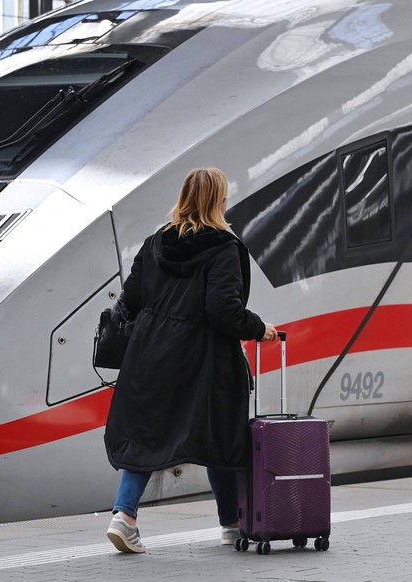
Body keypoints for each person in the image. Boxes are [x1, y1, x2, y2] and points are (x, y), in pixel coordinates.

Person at [103, 167, 277, 553]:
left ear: (182, 198)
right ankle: (231, 526)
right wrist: (258, 327)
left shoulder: (154, 244)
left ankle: (124, 516)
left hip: (150, 355)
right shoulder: (224, 248)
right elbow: (223, 310)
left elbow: (131, 298)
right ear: (219, 202)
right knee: (219, 435)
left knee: (146, 434)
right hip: (204, 360)